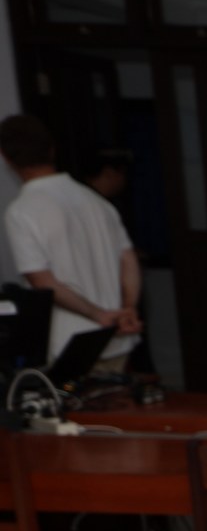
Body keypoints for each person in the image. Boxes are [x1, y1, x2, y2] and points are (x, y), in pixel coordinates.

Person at [1, 115, 142, 367]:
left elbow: (41, 281)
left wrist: (99, 315)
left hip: (69, 346)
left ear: (6, 158)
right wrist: (128, 307)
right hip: (116, 339)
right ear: (52, 149)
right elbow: (128, 259)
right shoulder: (96, 201)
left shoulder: (22, 211)